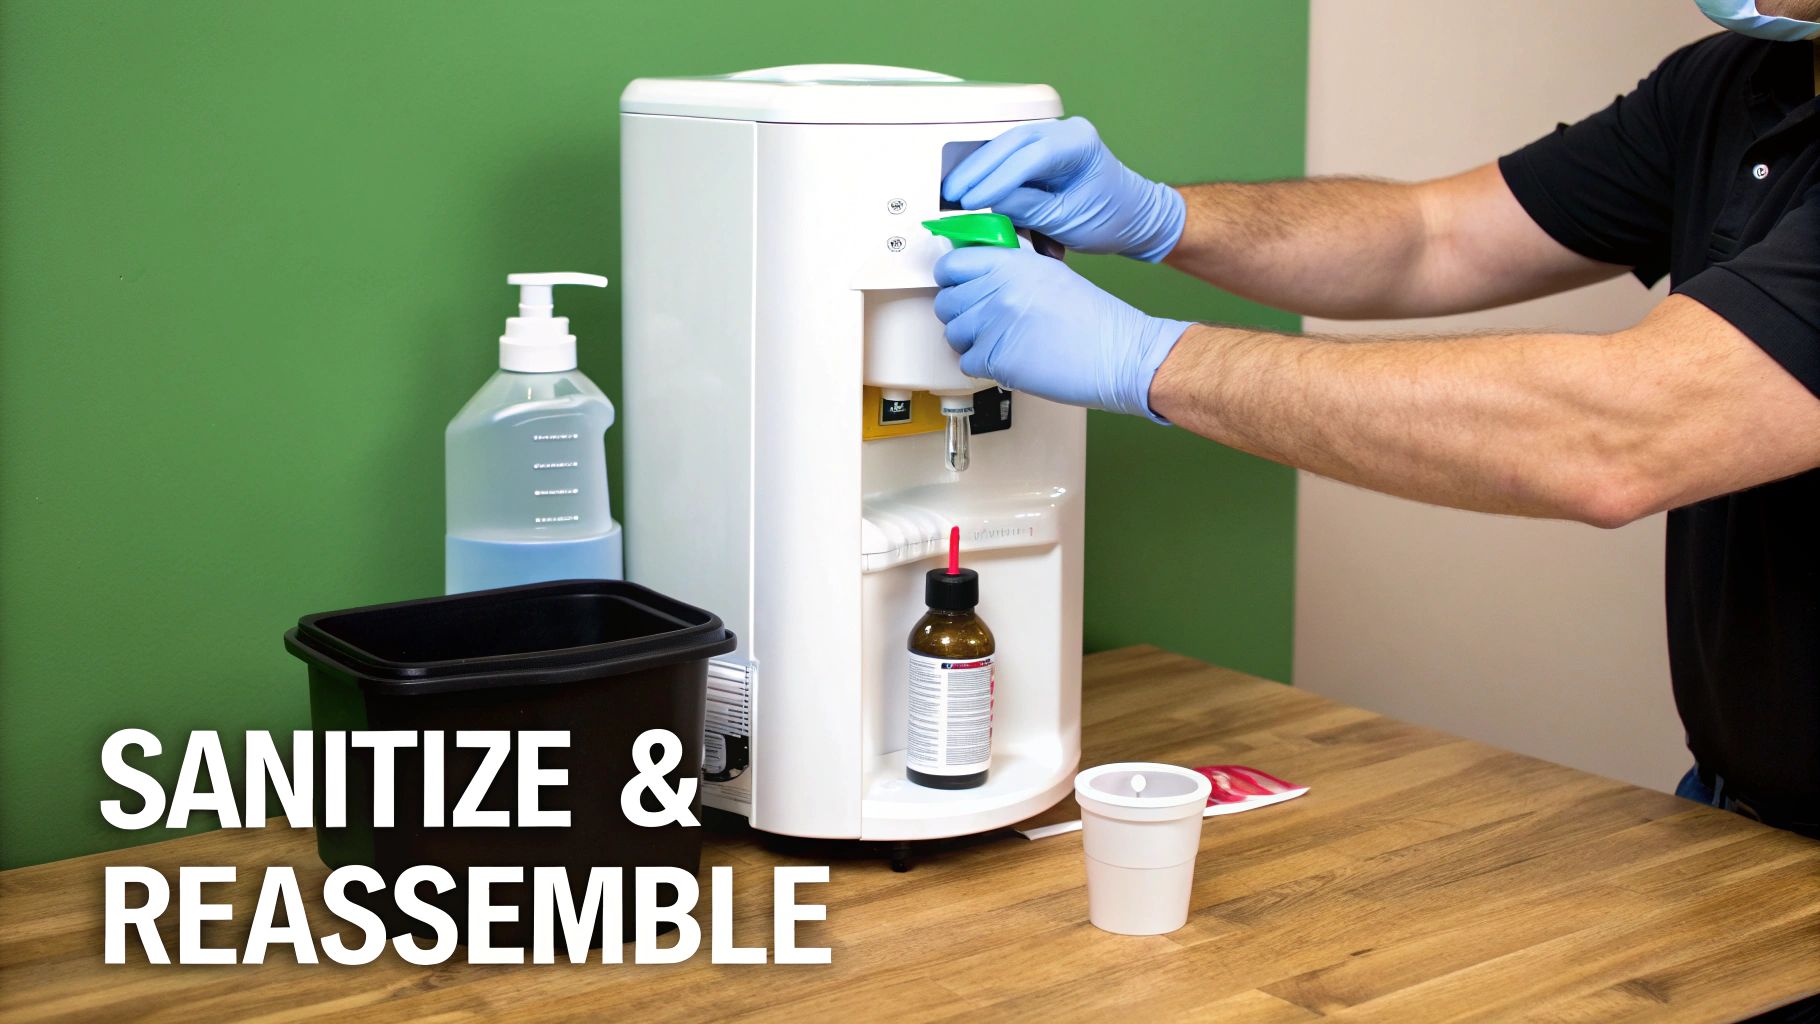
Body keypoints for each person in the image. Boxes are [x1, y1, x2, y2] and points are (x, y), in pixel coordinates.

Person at [933, 0, 1820, 843]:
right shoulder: (1741, 82)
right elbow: (1435, 235)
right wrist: (1162, 216)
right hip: (1731, 814)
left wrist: (1150, 359)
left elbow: (1625, 433)